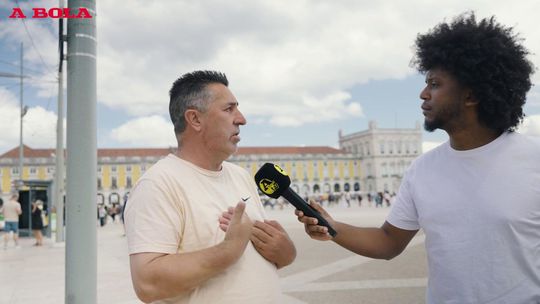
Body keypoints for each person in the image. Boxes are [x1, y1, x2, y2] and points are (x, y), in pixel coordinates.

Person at [296, 12, 539, 304]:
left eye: (435, 84)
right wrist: (331, 226)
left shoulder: (534, 159)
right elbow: (388, 242)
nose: (423, 94)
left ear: (471, 95)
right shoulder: (422, 169)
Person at [124, 70, 296, 303]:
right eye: (229, 109)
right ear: (195, 119)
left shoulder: (240, 176)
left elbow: (271, 257)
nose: (241, 119)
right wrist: (229, 250)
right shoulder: (158, 184)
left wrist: (285, 251)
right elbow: (148, 283)